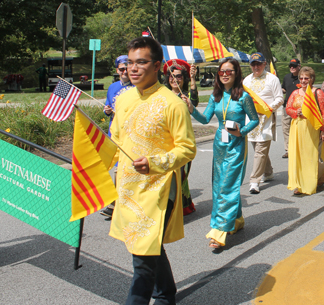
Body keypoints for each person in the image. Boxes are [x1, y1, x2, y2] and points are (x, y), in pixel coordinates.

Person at [109, 37, 196, 305]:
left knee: (142, 259)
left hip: (157, 190)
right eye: (129, 63)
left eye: (141, 63)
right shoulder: (123, 100)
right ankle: (166, 294)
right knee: (149, 246)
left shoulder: (173, 104)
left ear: (157, 65)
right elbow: (115, 140)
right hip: (128, 188)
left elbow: (187, 149)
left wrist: (155, 163)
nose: (133, 69)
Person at [185, 58, 258, 249]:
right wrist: (192, 109)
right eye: (221, 72)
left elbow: (254, 120)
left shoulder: (244, 96)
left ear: (236, 74)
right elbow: (204, 119)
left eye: (229, 71)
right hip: (219, 144)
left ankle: (219, 231)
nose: (225, 74)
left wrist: (241, 131)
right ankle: (237, 220)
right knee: (219, 185)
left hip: (236, 145)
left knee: (227, 186)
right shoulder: (215, 97)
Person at [243, 52, 283, 194]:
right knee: (258, 149)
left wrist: (269, 108)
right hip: (251, 121)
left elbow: (280, 98)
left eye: (259, 64)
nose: (256, 67)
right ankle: (269, 172)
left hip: (266, 120)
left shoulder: (272, 79)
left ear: (264, 64)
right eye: (253, 64)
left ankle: (254, 181)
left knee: (260, 150)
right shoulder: (246, 80)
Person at [286, 66, 324, 195]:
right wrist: (296, 112)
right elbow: (288, 108)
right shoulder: (295, 93)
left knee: (312, 155)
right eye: (301, 78)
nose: (304, 80)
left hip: (312, 127)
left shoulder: (318, 93)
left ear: (312, 79)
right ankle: (300, 183)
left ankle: (316, 178)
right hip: (297, 127)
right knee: (299, 155)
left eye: (306, 78)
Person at [100, 55, 134, 218]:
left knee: (124, 168)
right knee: (116, 168)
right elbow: (108, 106)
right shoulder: (112, 87)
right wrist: (106, 111)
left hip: (131, 134)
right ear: (117, 71)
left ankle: (118, 203)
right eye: (121, 69)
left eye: (127, 68)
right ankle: (116, 203)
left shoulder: (136, 87)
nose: (125, 72)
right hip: (114, 133)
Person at [164, 59, 199, 215]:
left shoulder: (186, 95)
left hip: (183, 140)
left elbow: (195, 101)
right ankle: (170, 204)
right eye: (171, 75)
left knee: (181, 175)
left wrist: (193, 78)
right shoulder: (162, 95)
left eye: (178, 76)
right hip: (165, 141)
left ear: (183, 79)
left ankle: (182, 205)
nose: (174, 79)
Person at [281, 58, 301, 158]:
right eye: (290, 66)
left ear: (299, 66)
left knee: (299, 129)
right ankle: (289, 150)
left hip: (299, 108)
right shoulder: (286, 77)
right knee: (286, 128)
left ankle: (299, 149)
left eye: (294, 66)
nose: (292, 68)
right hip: (286, 107)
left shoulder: (302, 78)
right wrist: (281, 90)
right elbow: (284, 88)